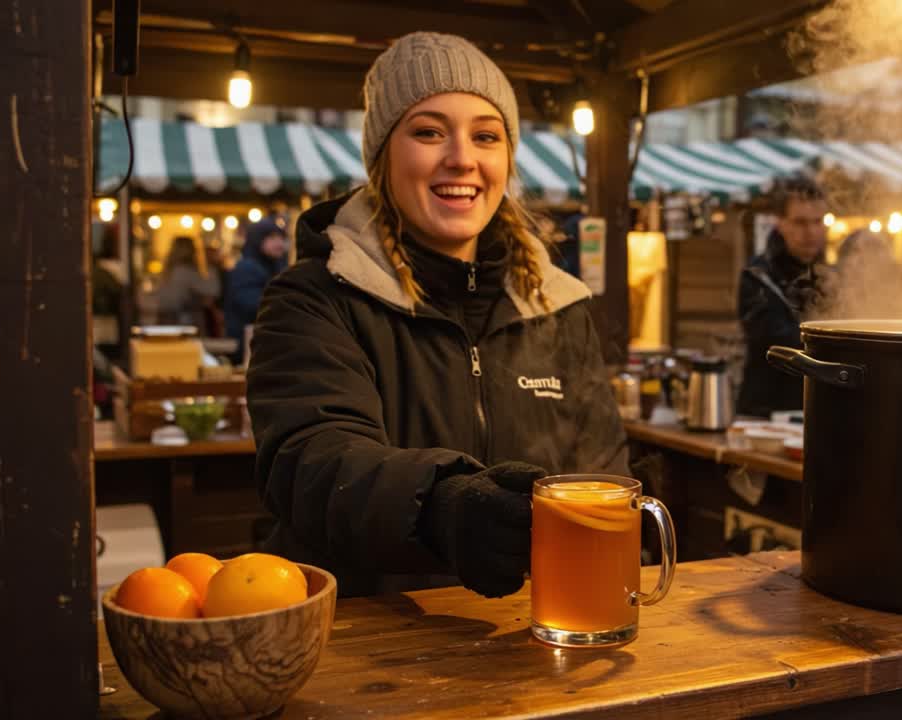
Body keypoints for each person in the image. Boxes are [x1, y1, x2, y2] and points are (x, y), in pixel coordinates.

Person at [246, 32, 627, 599]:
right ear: (382, 156)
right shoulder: (314, 298)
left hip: (528, 636)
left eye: (486, 136)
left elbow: (604, 475)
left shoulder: (557, 306)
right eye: (428, 132)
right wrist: (439, 506)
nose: (462, 158)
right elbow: (312, 460)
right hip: (369, 639)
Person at [735, 179, 829, 418]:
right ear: (780, 224)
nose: (811, 232)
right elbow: (776, 343)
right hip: (765, 411)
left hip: (819, 407)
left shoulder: (832, 277)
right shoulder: (758, 276)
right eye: (800, 222)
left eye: (818, 221)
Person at [224, 217, 288, 364]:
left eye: (281, 238)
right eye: (272, 237)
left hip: (265, 342)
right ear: (258, 239)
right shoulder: (247, 268)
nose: (279, 243)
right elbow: (252, 305)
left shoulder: (276, 266)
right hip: (247, 345)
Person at [155, 235, 221, 328]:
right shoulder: (186, 271)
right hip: (184, 320)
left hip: (165, 318)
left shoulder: (167, 272)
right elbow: (212, 291)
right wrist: (211, 264)